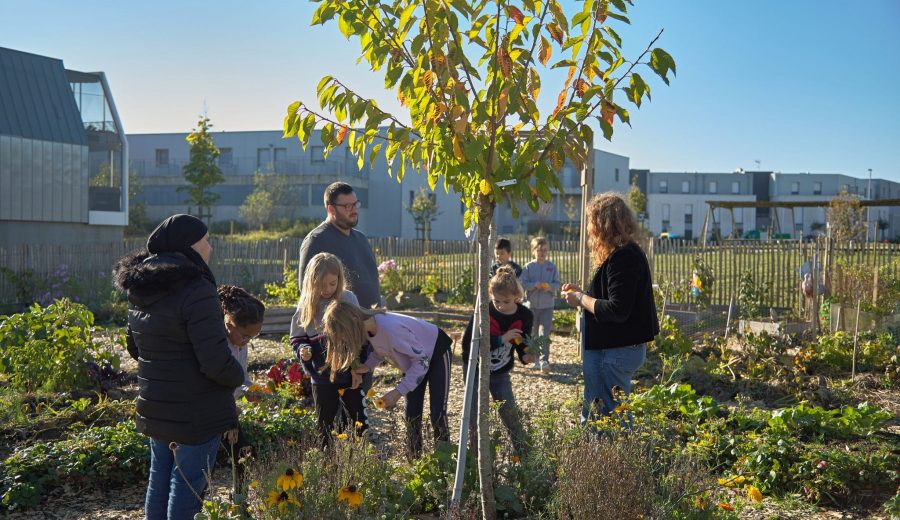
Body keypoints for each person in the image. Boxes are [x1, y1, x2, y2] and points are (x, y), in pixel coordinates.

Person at [113, 214, 245, 520]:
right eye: (206, 240)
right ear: (190, 246)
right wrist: (238, 377)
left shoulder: (140, 287)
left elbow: (135, 346)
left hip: (155, 404)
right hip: (196, 411)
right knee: (188, 486)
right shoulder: (196, 288)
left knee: (159, 481)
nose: (211, 247)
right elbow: (214, 361)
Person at [562, 193, 659, 424]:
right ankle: (599, 458)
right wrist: (585, 295)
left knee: (611, 418)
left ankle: (618, 460)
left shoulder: (623, 256)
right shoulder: (623, 254)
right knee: (600, 413)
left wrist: (581, 298)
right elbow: (615, 298)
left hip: (615, 350)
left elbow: (617, 309)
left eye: (591, 222)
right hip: (613, 348)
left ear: (603, 224)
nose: (589, 229)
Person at [322, 302, 452, 458]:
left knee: (437, 411)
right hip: (415, 361)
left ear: (354, 323)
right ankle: (414, 459)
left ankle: (445, 461)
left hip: (436, 352)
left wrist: (398, 392)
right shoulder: (371, 329)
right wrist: (368, 365)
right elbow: (380, 350)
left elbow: (422, 360)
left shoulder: (391, 330)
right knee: (412, 412)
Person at [290, 253, 368, 446]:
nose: (327, 290)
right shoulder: (306, 306)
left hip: (350, 374)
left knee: (360, 423)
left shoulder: (348, 299)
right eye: (321, 285)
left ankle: (361, 459)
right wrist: (303, 349)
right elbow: (297, 338)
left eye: (332, 284)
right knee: (325, 425)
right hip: (321, 376)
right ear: (311, 282)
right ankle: (329, 464)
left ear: (339, 280)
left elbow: (359, 338)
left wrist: (357, 369)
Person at [461, 265, 534, 456]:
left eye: (506, 301)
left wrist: (526, 355)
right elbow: (468, 343)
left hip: (500, 371)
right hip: (475, 368)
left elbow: (521, 341)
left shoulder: (525, 315)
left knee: (510, 414)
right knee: (474, 416)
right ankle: (475, 456)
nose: (500, 305)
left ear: (517, 297)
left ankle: (524, 454)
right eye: (496, 301)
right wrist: (502, 339)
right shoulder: (484, 311)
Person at [298, 182, 381, 309]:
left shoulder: (361, 239)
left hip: (373, 322)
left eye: (355, 204)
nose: (354, 210)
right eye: (348, 206)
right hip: (339, 325)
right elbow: (307, 292)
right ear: (331, 209)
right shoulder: (316, 240)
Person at [218, 285, 265, 490]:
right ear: (228, 322)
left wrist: (250, 389)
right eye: (245, 336)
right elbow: (218, 384)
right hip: (218, 411)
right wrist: (229, 420)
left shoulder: (239, 344)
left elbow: (241, 378)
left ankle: (240, 501)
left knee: (244, 456)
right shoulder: (217, 345)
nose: (247, 342)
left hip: (228, 410)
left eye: (253, 337)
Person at [520, 236, 560, 372]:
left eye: (544, 250)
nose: (542, 253)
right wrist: (533, 285)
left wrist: (549, 286)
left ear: (548, 251)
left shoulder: (552, 267)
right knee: (533, 334)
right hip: (531, 306)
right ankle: (535, 360)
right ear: (533, 251)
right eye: (539, 250)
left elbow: (557, 283)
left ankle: (544, 361)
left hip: (547, 306)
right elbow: (522, 283)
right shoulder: (528, 267)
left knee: (544, 334)